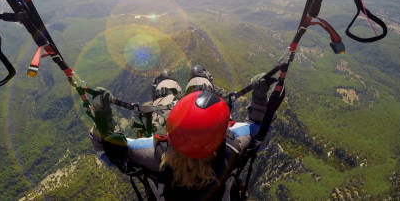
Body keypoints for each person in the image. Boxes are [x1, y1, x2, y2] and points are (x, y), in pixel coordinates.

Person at [89, 65, 276, 200]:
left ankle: (165, 95)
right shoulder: (233, 146)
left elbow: (105, 149)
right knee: (199, 81)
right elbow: (260, 132)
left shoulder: (153, 155)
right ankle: (202, 89)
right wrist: (259, 98)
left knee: (165, 88)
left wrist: (101, 118)